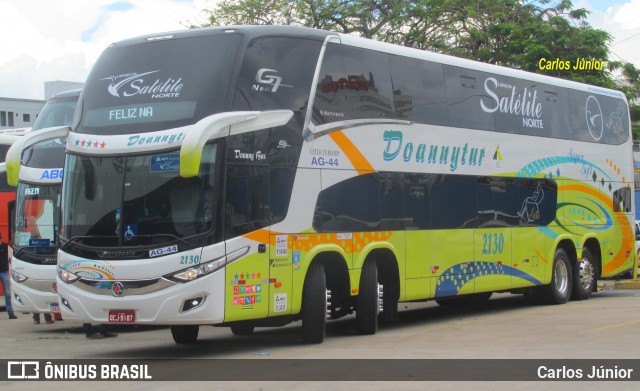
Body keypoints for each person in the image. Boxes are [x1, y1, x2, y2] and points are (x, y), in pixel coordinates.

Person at [0, 233, 16, 319]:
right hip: (4, 272)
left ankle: (10, 313)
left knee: (7, 293)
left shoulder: (5, 247)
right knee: (7, 293)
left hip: (4, 272)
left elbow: (11, 256)